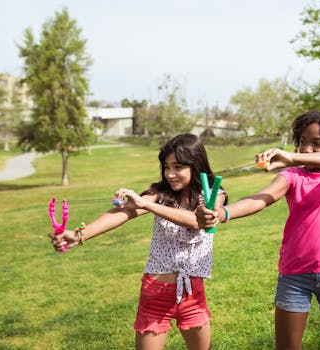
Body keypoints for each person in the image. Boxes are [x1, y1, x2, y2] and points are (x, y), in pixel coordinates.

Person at [196, 111, 320, 350]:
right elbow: (261, 199)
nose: (307, 149)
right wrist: (223, 213)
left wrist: (291, 156)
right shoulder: (292, 176)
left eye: (316, 144)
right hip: (295, 277)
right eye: (302, 142)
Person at [50, 133, 226, 350]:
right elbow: (123, 212)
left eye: (178, 167)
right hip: (155, 294)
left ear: (195, 164)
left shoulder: (211, 194)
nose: (170, 174)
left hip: (192, 294)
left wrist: (147, 205)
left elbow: (196, 220)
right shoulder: (159, 194)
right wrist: (79, 235)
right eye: (166, 166)